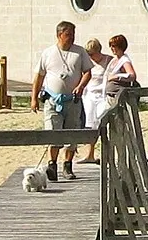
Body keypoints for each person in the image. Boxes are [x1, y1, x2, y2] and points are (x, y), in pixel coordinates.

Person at [32, 20, 92, 182]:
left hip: (72, 101)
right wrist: (34, 98)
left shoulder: (80, 52)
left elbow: (87, 72)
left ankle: (68, 165)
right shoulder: (48, 53)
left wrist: (80, 86)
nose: (71, 38)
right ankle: (52, 165)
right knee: (53, 131)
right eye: (68, 35)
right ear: (59, 35)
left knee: (72, 132)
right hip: (52, 100)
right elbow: (39, 76)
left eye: (73, 34)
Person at [88, 33, 138, 164]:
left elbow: (132, 75)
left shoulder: (124, 60)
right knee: (101, 122)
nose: (112, 48)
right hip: (108, 97)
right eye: (110, 46)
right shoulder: (114, 60)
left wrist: (117, 77)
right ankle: (108, 156)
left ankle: (120, 159)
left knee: (116, 127)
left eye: (114, 46)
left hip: (117, 99)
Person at [81, 38, 112, 159]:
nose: (91, 57)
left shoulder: (109, 60)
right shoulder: (88, 62)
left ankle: (107, 154)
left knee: (101, 122)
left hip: (103, 96)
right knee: (90, 123)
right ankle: (90, 154)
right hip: (89, 95)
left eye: (92, 54)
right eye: (88, 54)